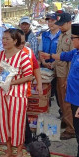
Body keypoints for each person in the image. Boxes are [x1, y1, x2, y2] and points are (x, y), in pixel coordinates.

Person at [40, 23, 79, 157]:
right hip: (73, 97)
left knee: (78, 129)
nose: (72, 40)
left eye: (74, 38)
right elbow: (64, 56)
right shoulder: (76, 51)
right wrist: (48, 55)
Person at [0, 29, 33, 157]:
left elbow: (29, 76)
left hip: (17, 95)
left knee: (17, 123)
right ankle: (9, 150)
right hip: (1, 93)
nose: (4, 41)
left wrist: (11, 83)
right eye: (3, 38)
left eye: (7, 39)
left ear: (15, 41)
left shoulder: (22, 55)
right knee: (4, 122)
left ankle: (19, 151)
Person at [17, 29, 43, 148]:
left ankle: (26, 140)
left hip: (24, 90)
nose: (22, 45)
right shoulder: (5, 52)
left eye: (23, 42)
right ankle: (20, 139)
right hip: (10, 90)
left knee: (22, 115)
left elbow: (36, 67)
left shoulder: (28, 51)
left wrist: (39, 83)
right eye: (20, 42)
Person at [54, 12, 75, 140]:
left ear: (69, 23)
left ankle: (71, 129)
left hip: (66, 75)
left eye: (62, 24)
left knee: (67, 103)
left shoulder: (72, 37)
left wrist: (69, 78)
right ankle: (66, 120)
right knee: (61, 101)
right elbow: (59, 53)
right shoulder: (62, 35)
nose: (60, 26)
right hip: (59, 72)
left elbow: (72, 59)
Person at [39, 13, 61, 112]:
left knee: (58, 91)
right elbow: (40, 50)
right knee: (44, 90)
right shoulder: (44, 34)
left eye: (52, 21)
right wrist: (43, 62)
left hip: (57, 66)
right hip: (45, 66)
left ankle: (62, 113)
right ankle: (45, 109)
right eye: (49, 21)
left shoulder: (61, 35)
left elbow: (62, 53)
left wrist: (54, 64)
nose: (50, 23)